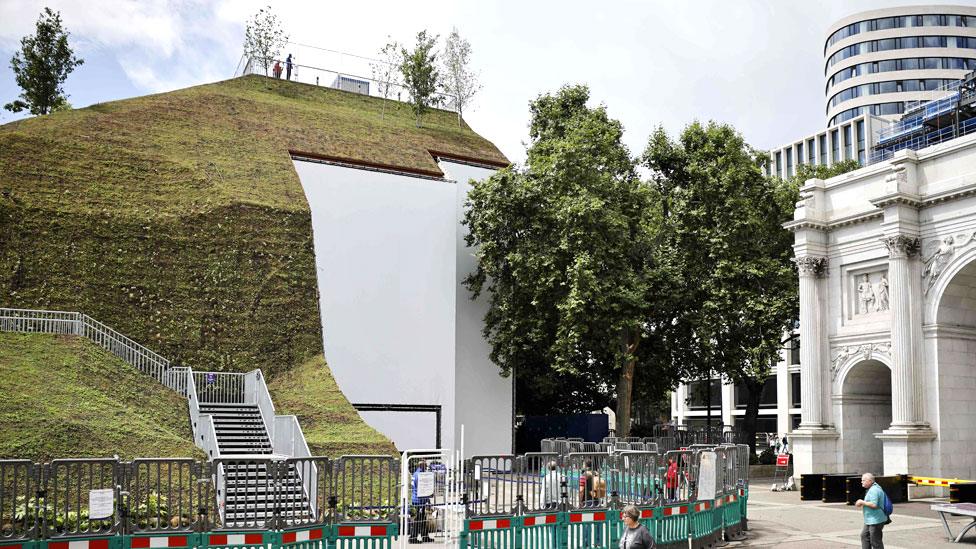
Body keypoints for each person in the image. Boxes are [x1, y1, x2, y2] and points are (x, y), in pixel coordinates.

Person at [855, 473, 887, 549]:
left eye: (863, 480)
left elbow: (874, 505)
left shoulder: (874, 490)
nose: (861, 482)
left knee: (875, 541)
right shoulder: (873, 488)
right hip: (871, 519)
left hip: (876, 520)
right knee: (864, 535)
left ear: (869, 481)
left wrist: (861, 502)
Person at [409, 461, 434, 544]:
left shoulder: (416, 474)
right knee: (418, 520)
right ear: (421, 466)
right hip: (419, 500)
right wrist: (429, 497)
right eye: (425, 466)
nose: (426, 468)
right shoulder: (420, 475)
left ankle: (425, 536)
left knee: (422, 519)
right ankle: (413, 537)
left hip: (419, 499)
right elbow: (423, 488)